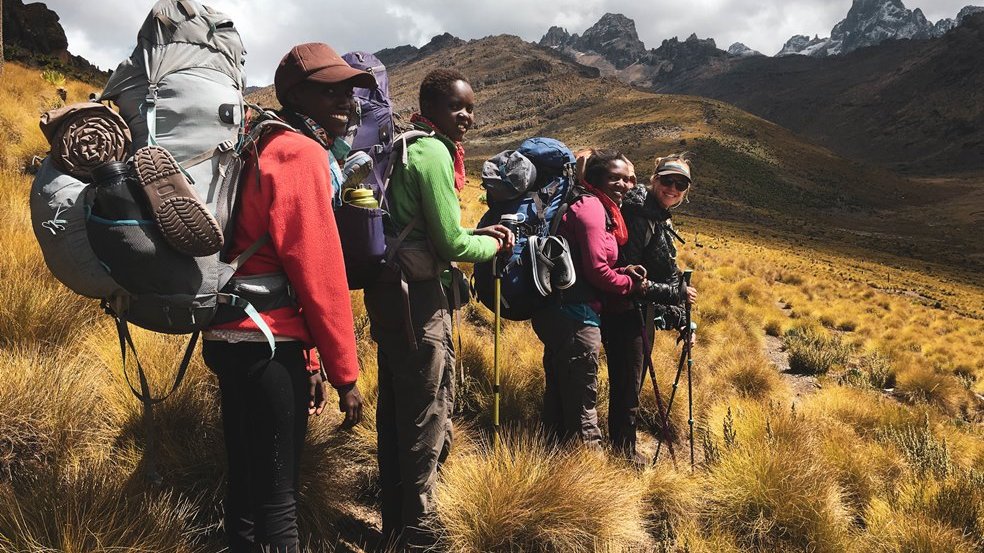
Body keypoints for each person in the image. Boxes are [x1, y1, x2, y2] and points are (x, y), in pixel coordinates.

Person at [202, 43, 368, 552]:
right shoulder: (300, 152)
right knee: (279, 500)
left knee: (247, 486)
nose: (345, 101)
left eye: (348, 89)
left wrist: (312, 361)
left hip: (231, 333)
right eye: (330, 89)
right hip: (267, 345)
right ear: (296, 94)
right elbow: (318, 273)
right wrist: (346, 374)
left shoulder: (259, 140)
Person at [363, 68, 514, 548]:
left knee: (394, 408)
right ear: (430, 108)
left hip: (391, 293)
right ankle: (422, 531)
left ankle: (394, 523)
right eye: (457, 107)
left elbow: (435, 232)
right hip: (422, 302)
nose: (466, 116)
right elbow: (450, 242)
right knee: (427, 412)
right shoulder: (432, 152)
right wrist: (493, 247)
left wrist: (475, 236)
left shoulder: (406, 145)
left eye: (470, 107)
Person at [531, 148, 646, 447]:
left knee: (559, 395)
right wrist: (630, 285)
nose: (623, 185)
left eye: (627, 180)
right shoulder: (593, 209)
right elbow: (596, 271)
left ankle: (552, 466)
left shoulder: (590, 205)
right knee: (583, 403)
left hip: (559, 312)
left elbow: (591, 261)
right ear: (596, 179)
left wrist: (623, 269)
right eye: (614, 178)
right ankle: (589, 474)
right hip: (576, 318)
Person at [601, 153, 698, 462]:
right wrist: (676, 293)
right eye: (667, 180)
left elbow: (665, 271)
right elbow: (630, 271)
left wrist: (681, 316)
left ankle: (622, 445)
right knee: (628, 384)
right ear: (654, 179)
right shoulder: (640, 214)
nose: (673, 188)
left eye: (680, 184)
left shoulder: (657, 214)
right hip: (624, 310)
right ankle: (623, 454)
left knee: (631, 380)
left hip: (640, 310)